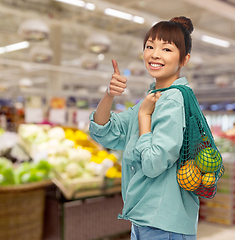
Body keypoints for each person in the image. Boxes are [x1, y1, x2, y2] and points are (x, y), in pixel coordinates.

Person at [89, 16, 198, 239]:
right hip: (146, 217)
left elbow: (153, 163)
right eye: (150, 46)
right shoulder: (154, 98)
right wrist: (110, 94)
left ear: (184, 59)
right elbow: (103, 131)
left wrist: (144, 115)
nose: (155, 54)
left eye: (166, 49)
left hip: (163, 221)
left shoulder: (173, 100)